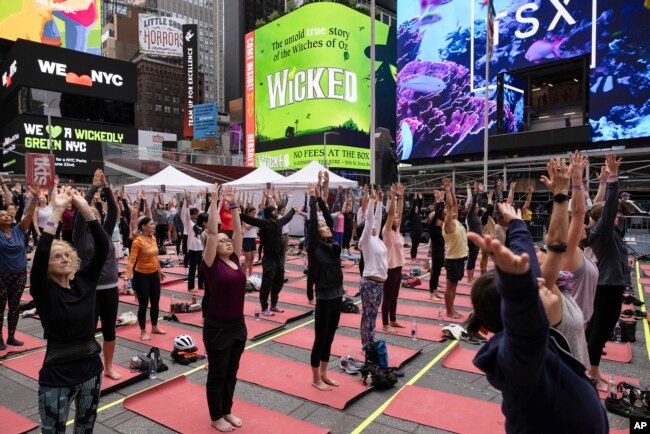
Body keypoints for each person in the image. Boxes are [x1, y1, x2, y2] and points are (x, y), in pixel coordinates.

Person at [466, 204, 607, 433]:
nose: (541, 282)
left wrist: (517, 224)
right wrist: (516, 288)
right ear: (518, 311)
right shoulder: (517, 360)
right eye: (530, 291)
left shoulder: (533, 335)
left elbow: (529, 265)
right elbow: (522, 329)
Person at [31, 186, 110, 433]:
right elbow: (43, 250)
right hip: (57, 376)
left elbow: (103, 247)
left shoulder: (85, 282)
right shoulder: (44, 290)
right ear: (46, 265)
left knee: (85, 428)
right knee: (53, 430)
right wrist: (56, 211)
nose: (65, 258)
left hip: (91, 370)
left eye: (67, 255)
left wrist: (86, 209)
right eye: (58, 256)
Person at [202, 184, 246, 432]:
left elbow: (238, 233)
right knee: (217, 374)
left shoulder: (235, 260)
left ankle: (227, 410)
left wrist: (234, 206)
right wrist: (214, 200)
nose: (226, 242)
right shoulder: (210, 264)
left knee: (232, 372)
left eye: (227, 240)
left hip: (238, 326)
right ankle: (216, 415)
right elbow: (211, 233)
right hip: (217, 327)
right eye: (222, 241)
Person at [585, 154, 630, 390]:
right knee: (600, 331)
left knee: (595, 329)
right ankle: (593, 373)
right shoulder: (600, 233)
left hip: (611, 285)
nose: (618, 217)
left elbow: (608, 207)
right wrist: (612, 178)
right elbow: (608, 206)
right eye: (615, 215)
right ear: (605, 218)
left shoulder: (610, 234)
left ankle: (585, 366)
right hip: (607, 288)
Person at [73, 169, 122, 380]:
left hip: (110, 288)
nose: (94, 214)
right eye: (89, 213)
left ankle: (108, 367)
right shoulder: (80, 236)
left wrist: (106, 188)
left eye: (96, 212)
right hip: (90, 290)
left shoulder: (105, 234)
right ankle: (86, 366)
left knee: (110, 330)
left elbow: (113, 211)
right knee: (88, 332)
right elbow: (79, 213)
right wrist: (92, 188)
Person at [307, 183, 344, 391]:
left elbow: (329, 219)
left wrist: (322, 198)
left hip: (337, 295)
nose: (326, 227)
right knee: (320, 339)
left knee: (329, 338)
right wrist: (312, 200)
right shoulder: (315, 247)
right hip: (323, 297)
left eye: (327, 226)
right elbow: (315, 224)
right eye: (323, 227)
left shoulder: (333, 246)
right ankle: (315, 378)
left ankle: (324, 373)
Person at [239, 198, 297, 316]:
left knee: (279, 281)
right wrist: (236, 210)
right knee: (267, 283)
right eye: (274, 211)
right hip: (269, 259)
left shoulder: (279, 222)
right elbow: (250, 219)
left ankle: (274, 304)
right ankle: (264, 307)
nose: (276, 212)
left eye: (276, 211)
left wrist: (293, 210)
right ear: (269, 213)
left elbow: (287, 217)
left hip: (278, 259)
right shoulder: (265, 223)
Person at [0, 177, 37, 350]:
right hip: (2, 277)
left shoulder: (19, 230)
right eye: (2, 215)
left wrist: (35, 198)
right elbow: (7, 199)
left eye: (8, 214)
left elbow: (29, 214)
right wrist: (3, 185)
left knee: (15, 308)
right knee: (0, 309)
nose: (6, 215)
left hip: (20, 275)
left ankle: (11, 336)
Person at [124, 214, 166, 340]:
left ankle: (154, 326)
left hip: (154, 274)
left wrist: (160, 270)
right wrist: (127, 277)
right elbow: (132, 260)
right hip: (141, 276)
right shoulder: (138, 241)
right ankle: (143, 331)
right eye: (151, 224)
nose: (154, 226)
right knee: (143, 304)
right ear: (144, 226)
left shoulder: (153, 238)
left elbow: (155, 256)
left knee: (155, 302)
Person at [357, 187, 388, 346]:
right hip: (370, 283)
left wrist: (380, 200)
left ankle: (370, 342)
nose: (375, 226)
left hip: (380, 284)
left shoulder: (377, 239)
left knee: (373, 316)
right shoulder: (366, 241)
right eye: (370, 228)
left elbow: (377, 219)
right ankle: (366, 345)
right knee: (368, 317)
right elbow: (369, 220)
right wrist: (370, 200)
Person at [442, 178, 468, 319]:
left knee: (454, 286)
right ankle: (449, 310)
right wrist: (446, 191)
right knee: (450, 287)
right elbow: (450, 206)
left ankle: (452, 308)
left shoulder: (456, 221)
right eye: (450, 211)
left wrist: (451, 190)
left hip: (459, 258)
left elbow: (455, 205)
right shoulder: (448, 224)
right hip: (453, 260)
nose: (454, 211)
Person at [381, 184, 406, 332]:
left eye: (398, 218)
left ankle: (393, 320)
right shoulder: (387, 231)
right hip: (390, 267)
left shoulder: (397, 231)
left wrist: (401, 197)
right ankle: (385, 324)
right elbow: (391, 214)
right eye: (394, 217)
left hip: (398, 266)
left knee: (395, 295)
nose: (397, 218)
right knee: (388, 296)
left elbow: (400, 213)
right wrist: (392, 197)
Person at [181, 197, 205, 293]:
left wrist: (200, 198)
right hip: (192, 248)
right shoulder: (188, 223)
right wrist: (186, 202)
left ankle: (200, 284)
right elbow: (185, 214)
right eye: (195, 214)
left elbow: (199, 208)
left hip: (200, 248)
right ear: (191, 215)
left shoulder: (199, 224)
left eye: (197, 214)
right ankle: (191, 286)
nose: (197, 215)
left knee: (201, 267)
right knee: (192, 268)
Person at [428, 200, 445, 300]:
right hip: (435, 253)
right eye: (439, 220)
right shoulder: (432, 228)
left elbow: (440, 213)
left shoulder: (440, 228)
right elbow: (437, 214)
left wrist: (442, 202)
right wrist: (439, 203)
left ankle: (435, 291)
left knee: (438, 273)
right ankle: (431, 294)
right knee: (434, 274)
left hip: (441, 252)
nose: (441, 221)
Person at [241, 206, 259, 278]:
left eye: (255, 213)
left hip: (253, 239)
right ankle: (244, 274)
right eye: (253, 213)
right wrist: (254, 222)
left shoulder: (254, 219)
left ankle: (250, 274)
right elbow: (247, 227)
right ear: (249, 213)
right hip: (246, 239)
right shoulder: (245, 219)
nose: (254, 214)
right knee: (247, 258)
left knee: (252, 257)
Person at [408, 192, 423, 259]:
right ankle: (412, 257)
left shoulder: (418, 214)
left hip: (418, 232)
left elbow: (419, 206)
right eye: (416, 209)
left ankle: (414, 257)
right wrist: (416, 199)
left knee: (416, 245)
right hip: (413, 233)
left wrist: (420, 199)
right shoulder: (412, 215)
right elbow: (414, 206)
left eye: (417, 209)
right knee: (414, 245)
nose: (417, 209)